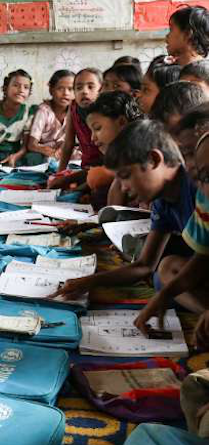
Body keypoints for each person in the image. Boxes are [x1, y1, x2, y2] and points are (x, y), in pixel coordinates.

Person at [52, 120, 197, 308]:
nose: (123, 187)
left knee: (168, 275)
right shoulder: (162, 202)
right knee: (164, 272)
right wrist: (89, 281)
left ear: (154, 160)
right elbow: (145, 265)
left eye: (126, 175)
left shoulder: (198, 186)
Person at [134, 131, 209, 335]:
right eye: (203, 177)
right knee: (166, 273)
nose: (201, 186)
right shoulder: (205, 199)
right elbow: (201, 259)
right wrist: (164, 295)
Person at [84, 91, 144, 208]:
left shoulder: (142, 152)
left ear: (122, 122)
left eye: (97, 128)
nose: (92, 138)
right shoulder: (122, 158)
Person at [57, 68, 103, 172]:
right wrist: (59, 172)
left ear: (101, 89)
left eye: (91, 87)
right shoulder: (73, 108)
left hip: (107, 166)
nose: (84, 91)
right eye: (79, 88)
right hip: (87, 166)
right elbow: (68, 143)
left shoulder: (106, 109)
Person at [27, 69, 74, 161]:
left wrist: (62, 150)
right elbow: (32, 145)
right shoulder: (44, 111)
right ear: (51, 89)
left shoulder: (74, 112)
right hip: (43, 152)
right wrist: (51, 153)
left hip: (63, 151)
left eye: (70, 89)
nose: (66, 93)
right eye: (60, 88)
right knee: (33, 158)